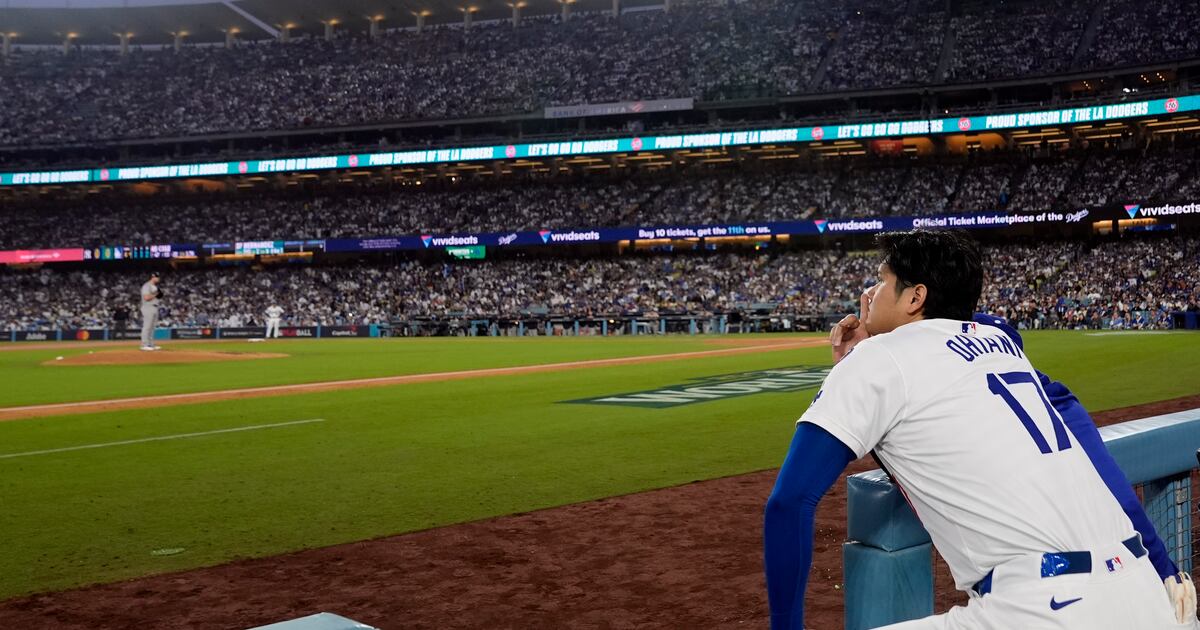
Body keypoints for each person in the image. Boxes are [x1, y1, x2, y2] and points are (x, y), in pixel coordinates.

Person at [763, 230, 1197, 630]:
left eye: (881, 280)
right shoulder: (1003, 343)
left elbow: (788, 503)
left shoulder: (876, 360)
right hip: (1149, 591)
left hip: (1044, 606)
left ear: (915, 296)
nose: (869, 294)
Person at [140, 272, 162, 351]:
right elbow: (146, 298)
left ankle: (151, 344)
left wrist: (158, 295)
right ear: (153, 277)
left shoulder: (155, 286)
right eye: (157, 277)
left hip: (155, 307)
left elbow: (159, 296)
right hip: (148, 307)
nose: (158, 279)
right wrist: (156, 294)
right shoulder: (147, 286)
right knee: (147, 327)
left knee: (152, 327)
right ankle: (144, 345)